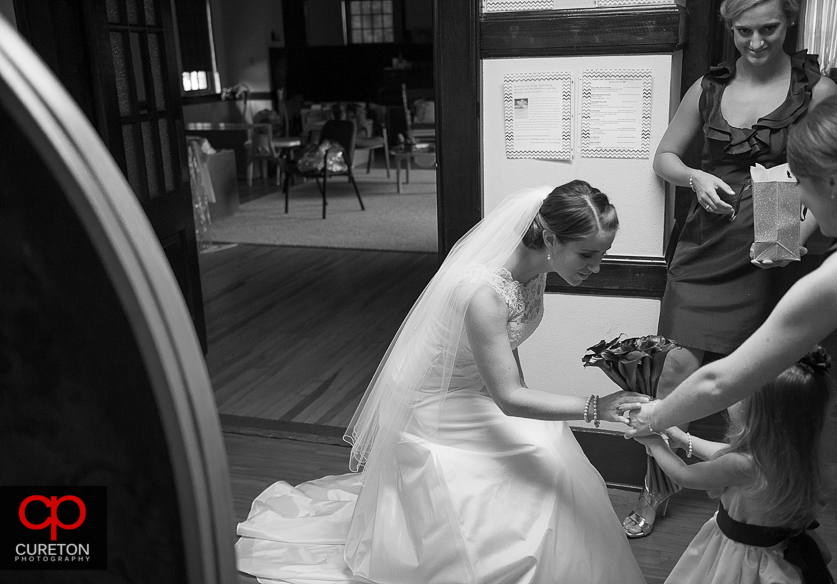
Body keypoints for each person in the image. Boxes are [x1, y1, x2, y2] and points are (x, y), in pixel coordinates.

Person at [235, 181, 651, 584]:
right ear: (549, 238)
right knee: (541, 448)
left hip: (474, 387)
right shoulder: (482, 294)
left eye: (603, 254)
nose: (596, 267)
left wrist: (529, 407)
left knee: (548, 443)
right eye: (588, 254)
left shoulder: (537, 268)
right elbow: (509, 398)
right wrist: (599, 406)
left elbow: (508, 350)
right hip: (431, 398)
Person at [627, 0, 837, 538]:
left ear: (790, 21)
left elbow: (830, 181)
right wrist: (696, 177)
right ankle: (657, 487)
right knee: (675, 371)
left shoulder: (816, 91)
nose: (757, 43)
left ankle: (753, 497)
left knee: (755, 386)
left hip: (774, 238)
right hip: (705, 243)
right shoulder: (708, 88)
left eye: (769, 29)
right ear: (729, 29)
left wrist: (794, 240)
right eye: (745, 31)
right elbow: (664, 157)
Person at [626, 90, 837, 520]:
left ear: (833, 183)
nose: (792, 196)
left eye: (797, 181)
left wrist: (653, 417)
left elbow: (720, 383)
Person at [636, 347, 837, 584]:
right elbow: (724, 455)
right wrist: (682, 439)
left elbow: (684, 475)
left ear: (760, 415)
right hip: (775, 553)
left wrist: (654, 444)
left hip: (740, 558)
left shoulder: (742, 465)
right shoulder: (794, 453)